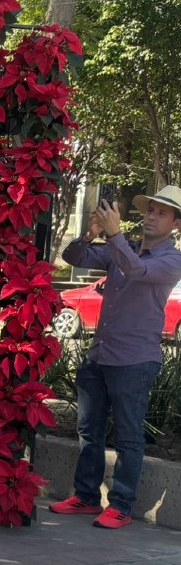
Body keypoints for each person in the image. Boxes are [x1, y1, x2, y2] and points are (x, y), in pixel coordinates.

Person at [50, 186, 181, 528]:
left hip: (135, 361)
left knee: (127, 436)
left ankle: (121, 504)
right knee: (89, 431)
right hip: (100, 355)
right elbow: (74, 258)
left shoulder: (172, 260)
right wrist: (89, 234)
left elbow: (137, 272)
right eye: (150, 210)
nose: (151, 216)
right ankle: (86, 497)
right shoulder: (123, 249)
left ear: (176, 224)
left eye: (161, 213)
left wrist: (114, 235)